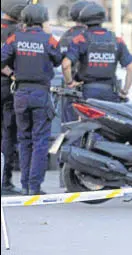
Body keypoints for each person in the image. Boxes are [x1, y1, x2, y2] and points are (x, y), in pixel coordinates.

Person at [1, 4, 63, 195]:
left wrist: (13, 75)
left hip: (20, 93)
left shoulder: (15, 37)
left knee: (24, 139)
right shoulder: (49, 39)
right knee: (40, 141)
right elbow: (59, 59)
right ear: (43, 19)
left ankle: (25, 184)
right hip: (40, 94)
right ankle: (34, 187)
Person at [62, 3, 132, 102]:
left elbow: (65, 64)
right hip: (110, 94)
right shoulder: (117, 40)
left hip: (87, 93)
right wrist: (124, 91)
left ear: (84, 20)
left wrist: (70, 82)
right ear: (102, 19)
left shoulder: (80, 40)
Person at [0, 0, 30, 195]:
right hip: (8, 89)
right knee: (8, 135)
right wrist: (12, 74)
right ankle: (5, 181)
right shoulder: (18, 33)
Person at [58, 0, 90, 123]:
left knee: (70, 127)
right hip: (89, 87)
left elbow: (59, 61)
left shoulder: (66, 35)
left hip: (70, 88)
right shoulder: (90, 35)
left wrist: (69, 81)